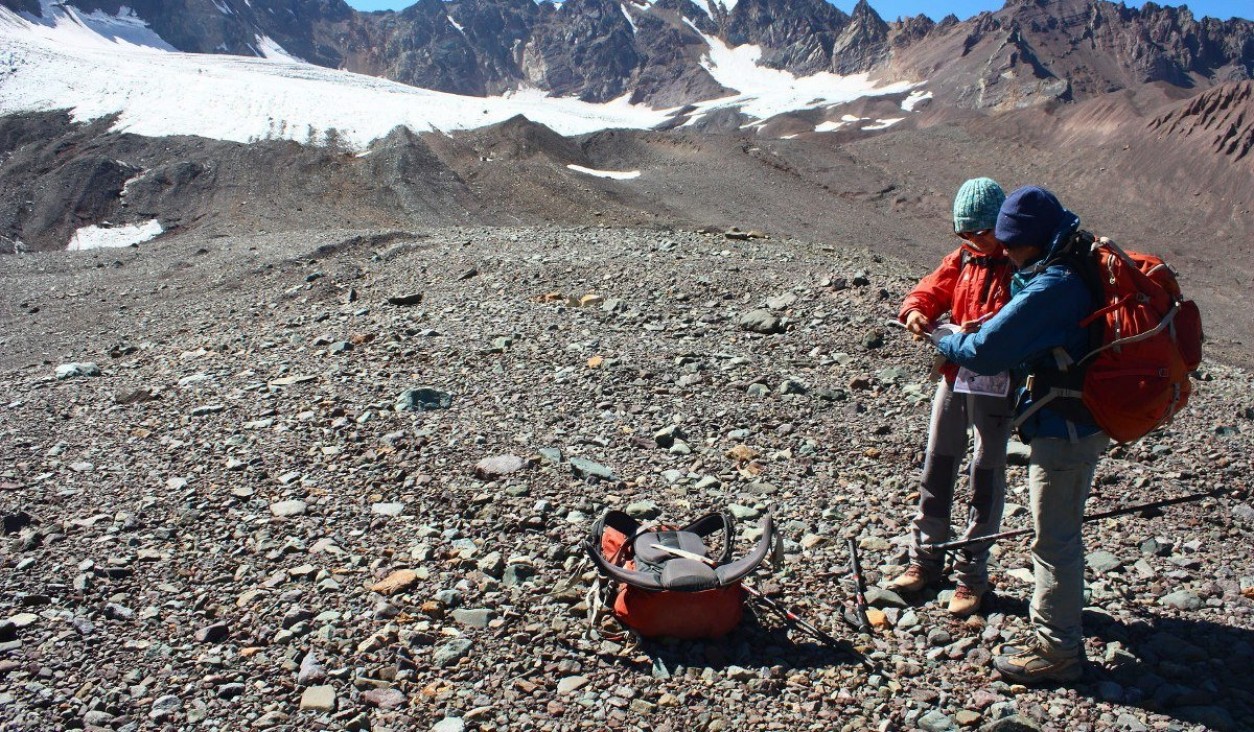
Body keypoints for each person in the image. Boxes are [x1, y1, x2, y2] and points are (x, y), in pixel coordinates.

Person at [934, 185, 1109, 684]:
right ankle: (1060, 634)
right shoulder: (1073, 260)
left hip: (1065, 428)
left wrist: (950, 339)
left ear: (1033, 239)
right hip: (1073, 419)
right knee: (1057, 533)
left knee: (1053, 540)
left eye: (1012, 245)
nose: (1004, 254)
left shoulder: (1056, 285)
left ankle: (1058, 651)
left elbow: (990, 348)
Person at [888, 177, 1016, 617]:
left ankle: (971, 577)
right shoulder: (963, 258)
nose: (973, 241)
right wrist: (916, 310)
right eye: (965, 234)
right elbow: (930, 289)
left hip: (998, 381)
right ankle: (925, 561)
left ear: (1000, 225)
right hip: (956, 373)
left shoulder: (1022, 263)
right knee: (938, 462)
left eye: (980, 232)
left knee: (986, 473)